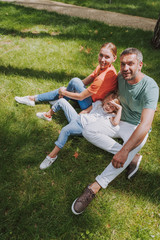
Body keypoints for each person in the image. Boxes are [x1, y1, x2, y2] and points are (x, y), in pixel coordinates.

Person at [71, 48, 159, 215]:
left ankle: (94, 187)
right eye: (123, 64)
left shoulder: (151, 87)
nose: (125, 68)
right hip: (117, 119)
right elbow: (104, 86)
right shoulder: (120, 77)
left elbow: (145, 124)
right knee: (88, 131)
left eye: (130, 64)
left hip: (136, 127)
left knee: (126, 152)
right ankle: (132, 156)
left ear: (140, 65)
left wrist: (125, 150)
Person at [15, 42, 117, 110]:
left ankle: (38, 99)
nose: (102, 60)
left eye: (107, 57)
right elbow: (84, 82)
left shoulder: (103, 77)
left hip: (92, 106)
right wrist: (70, 89)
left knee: (72, 84)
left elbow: (81, 97)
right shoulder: (104, 67)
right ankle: (35, 99)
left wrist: (65, 92)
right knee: (75, 82)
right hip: (90, 98)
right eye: (101, 55)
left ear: (114, 58)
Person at [38, 91, 122, 170]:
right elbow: (85, 111)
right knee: (62, 101)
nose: (108, 107)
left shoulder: (111, 115)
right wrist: (76, 117)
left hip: (82, 127)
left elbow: (115, 123)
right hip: (77, 118)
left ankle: (52, 156)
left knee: (65, 130)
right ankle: (48, 115)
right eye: (108, 104)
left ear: (115, 109)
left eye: (112, 107)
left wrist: (120, 109)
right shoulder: (98, 104)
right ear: (105, 101)